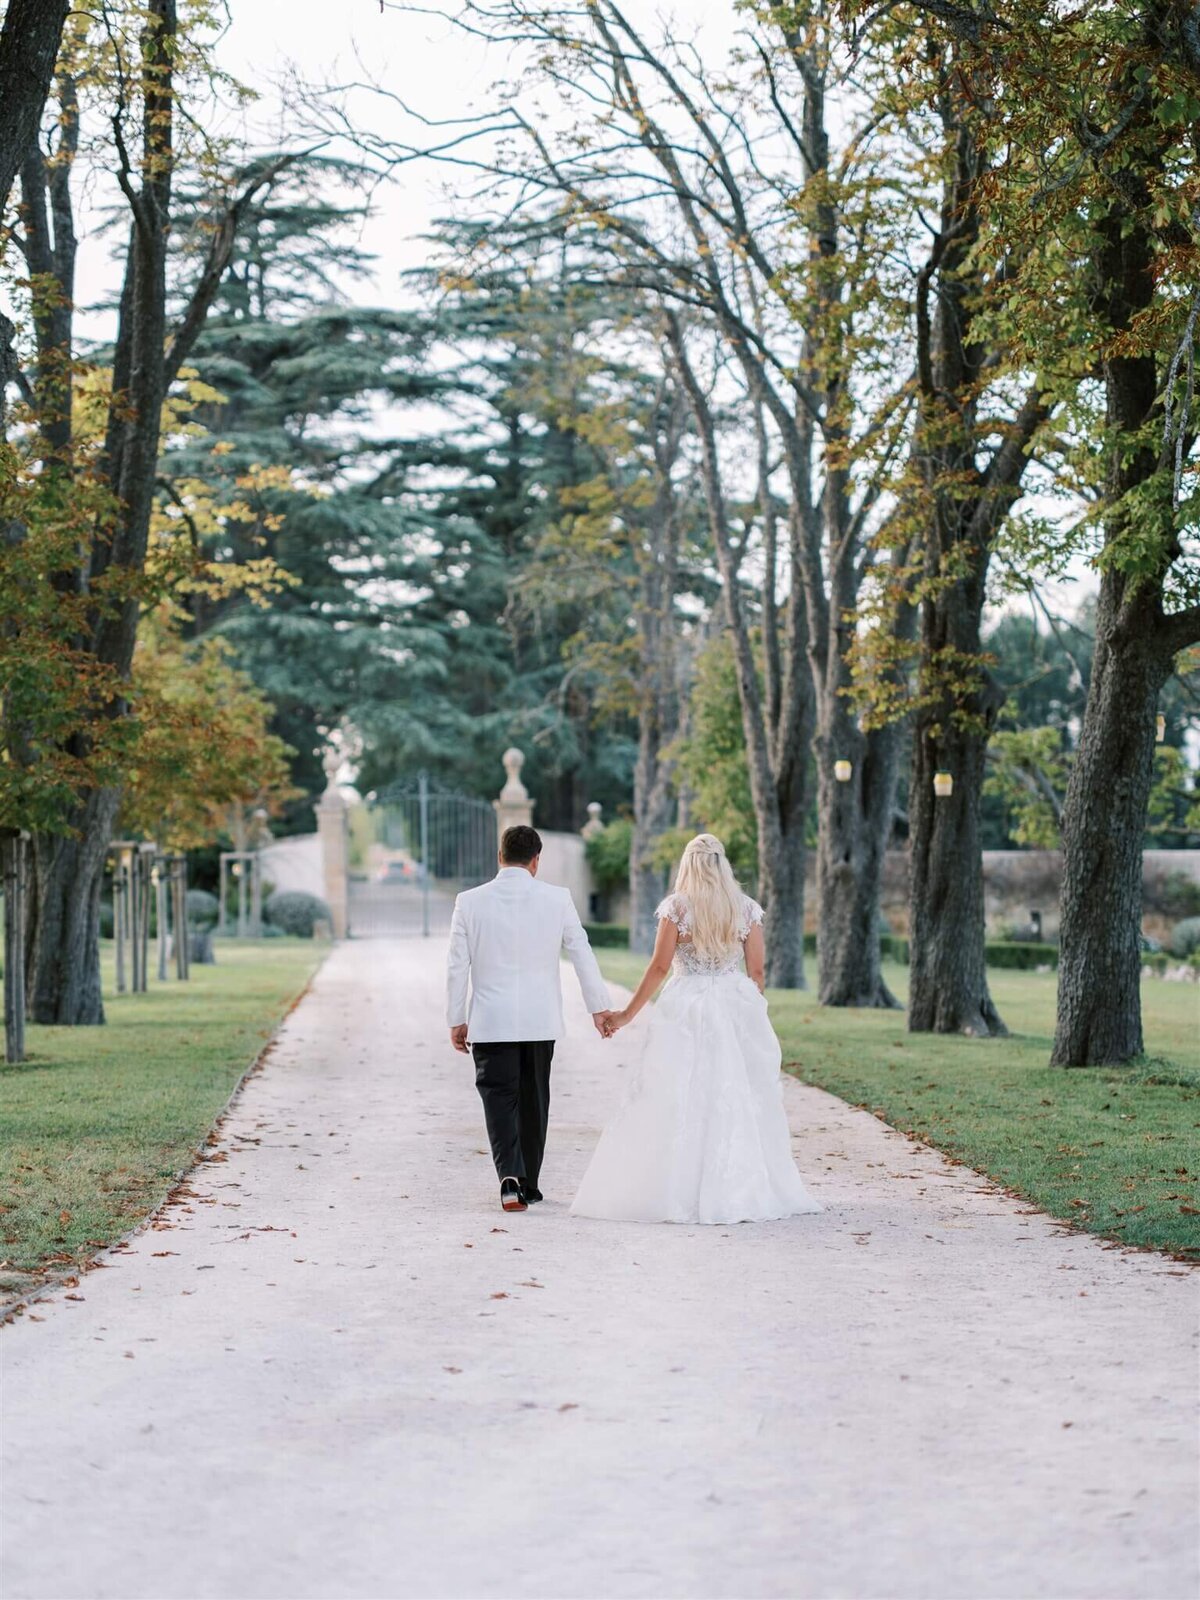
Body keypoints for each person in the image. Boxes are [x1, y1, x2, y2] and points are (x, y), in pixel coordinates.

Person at [571, 832, 823, 1225]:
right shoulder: (745, 908)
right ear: (723, 865)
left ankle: (672, 1188)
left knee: (676, 1090)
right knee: (734, 1089)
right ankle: (740, 1188)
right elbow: (757, 972)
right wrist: (745, 1009)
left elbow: (658, 967)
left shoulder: (677, 909)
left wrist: (625, 1015)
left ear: (687, 865)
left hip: (685, 1005)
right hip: (732, 1001)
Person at [446, 824, 613, 1213]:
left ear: (499, 856)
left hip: (491, 1021)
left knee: (499, 1098)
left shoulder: (469, 902)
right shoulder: (558, 899)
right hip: (540, 1021)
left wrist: (456, 1018)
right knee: (534, 1099)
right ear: (536, 860)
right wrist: (598, 1008)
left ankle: (509, 1177)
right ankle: (529, 1183)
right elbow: (581, 952)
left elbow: (456, 965)